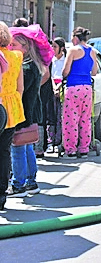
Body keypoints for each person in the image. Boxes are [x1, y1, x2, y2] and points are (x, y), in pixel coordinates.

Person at [7, 24, 53, 198]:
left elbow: (19, 90)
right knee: (27, 147)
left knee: (18, 148)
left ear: (25, 48)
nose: (11, 48)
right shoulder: (34, 65)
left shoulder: (26, 67)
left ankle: (18, 185)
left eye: (15, 45)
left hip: (23, 113)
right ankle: (30, 182)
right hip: (31, 112)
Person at [62, 27, 97, 159]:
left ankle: (71, 149)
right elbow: (94, 72)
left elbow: (65, 71)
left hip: (73, 87)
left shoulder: (73, 50)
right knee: (85, 118)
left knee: (71, 119)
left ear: (76, 38)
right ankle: (84, 148)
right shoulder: (92, 51)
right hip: (87, 88)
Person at [0, 22, 22, 207]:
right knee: (4, 151)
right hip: (11, 108)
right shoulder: (16, 57)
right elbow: (20, 87)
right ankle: (2, 194)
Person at [49, 37, 66, 151]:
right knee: (51, 116)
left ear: (62, 48)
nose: (53, 49)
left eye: (55, 47)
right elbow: (49, 75)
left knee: (61, 115)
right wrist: (54, 87)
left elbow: (65, 75)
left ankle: (60, 140)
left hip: (63, 88)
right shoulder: (51, 60)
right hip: (51, 87)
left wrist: (59, 87)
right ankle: (51, 141)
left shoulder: (66, 60)